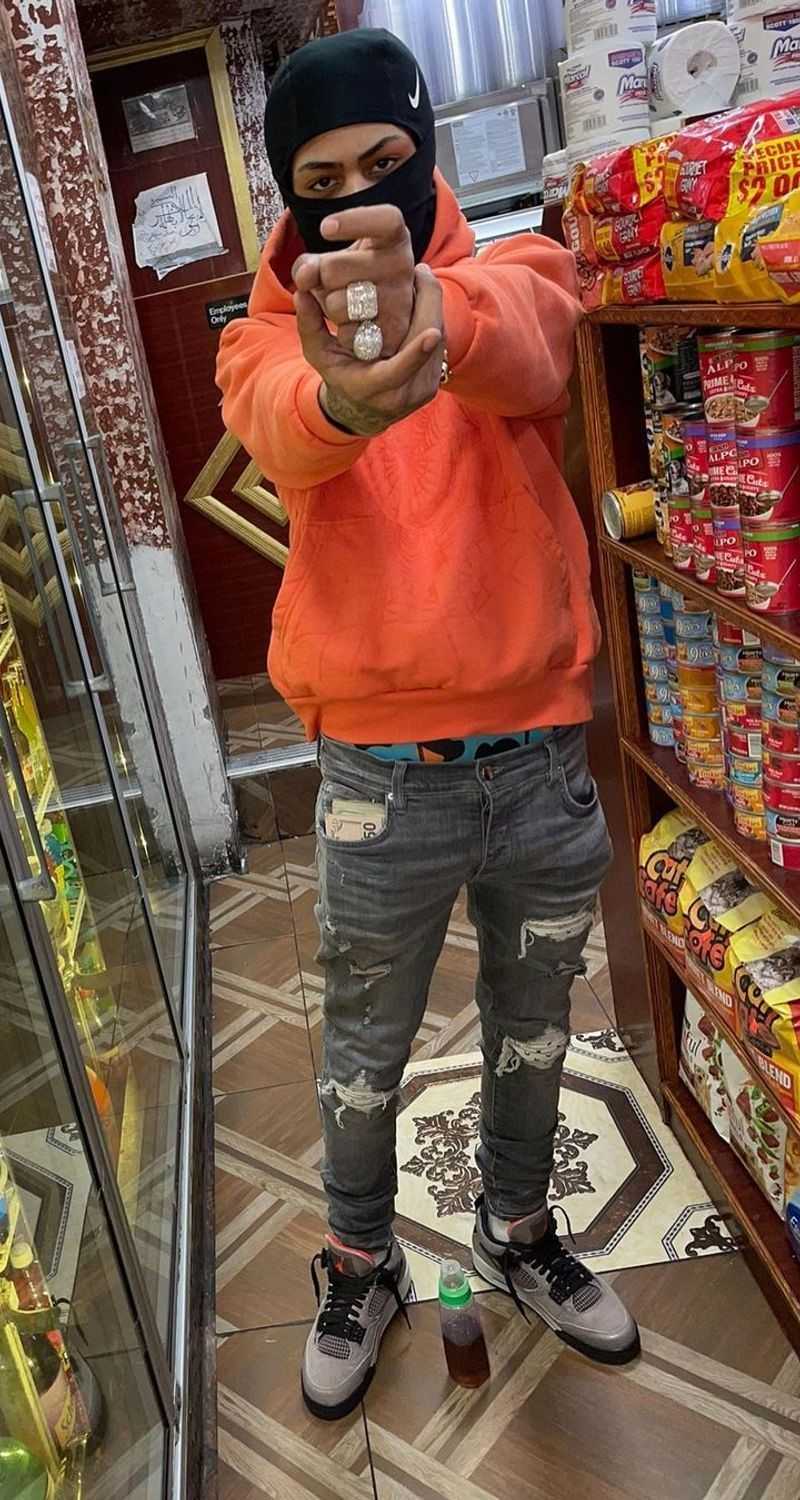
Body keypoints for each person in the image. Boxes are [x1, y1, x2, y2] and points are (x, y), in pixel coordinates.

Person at [216, 27, 639, 1422]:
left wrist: (428, 320)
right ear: (289, 197)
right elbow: (284, 420)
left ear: (429, 153)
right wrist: (349, 386)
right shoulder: (258, 334)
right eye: (320, 183)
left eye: (384, 164)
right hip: (374, 783)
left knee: (536, 1023)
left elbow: (531, 345)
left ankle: (519, 1231)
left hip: (537, 758)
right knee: (360, 1047)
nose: (355, 201)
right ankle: (359, 1260)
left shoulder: (514, 271)